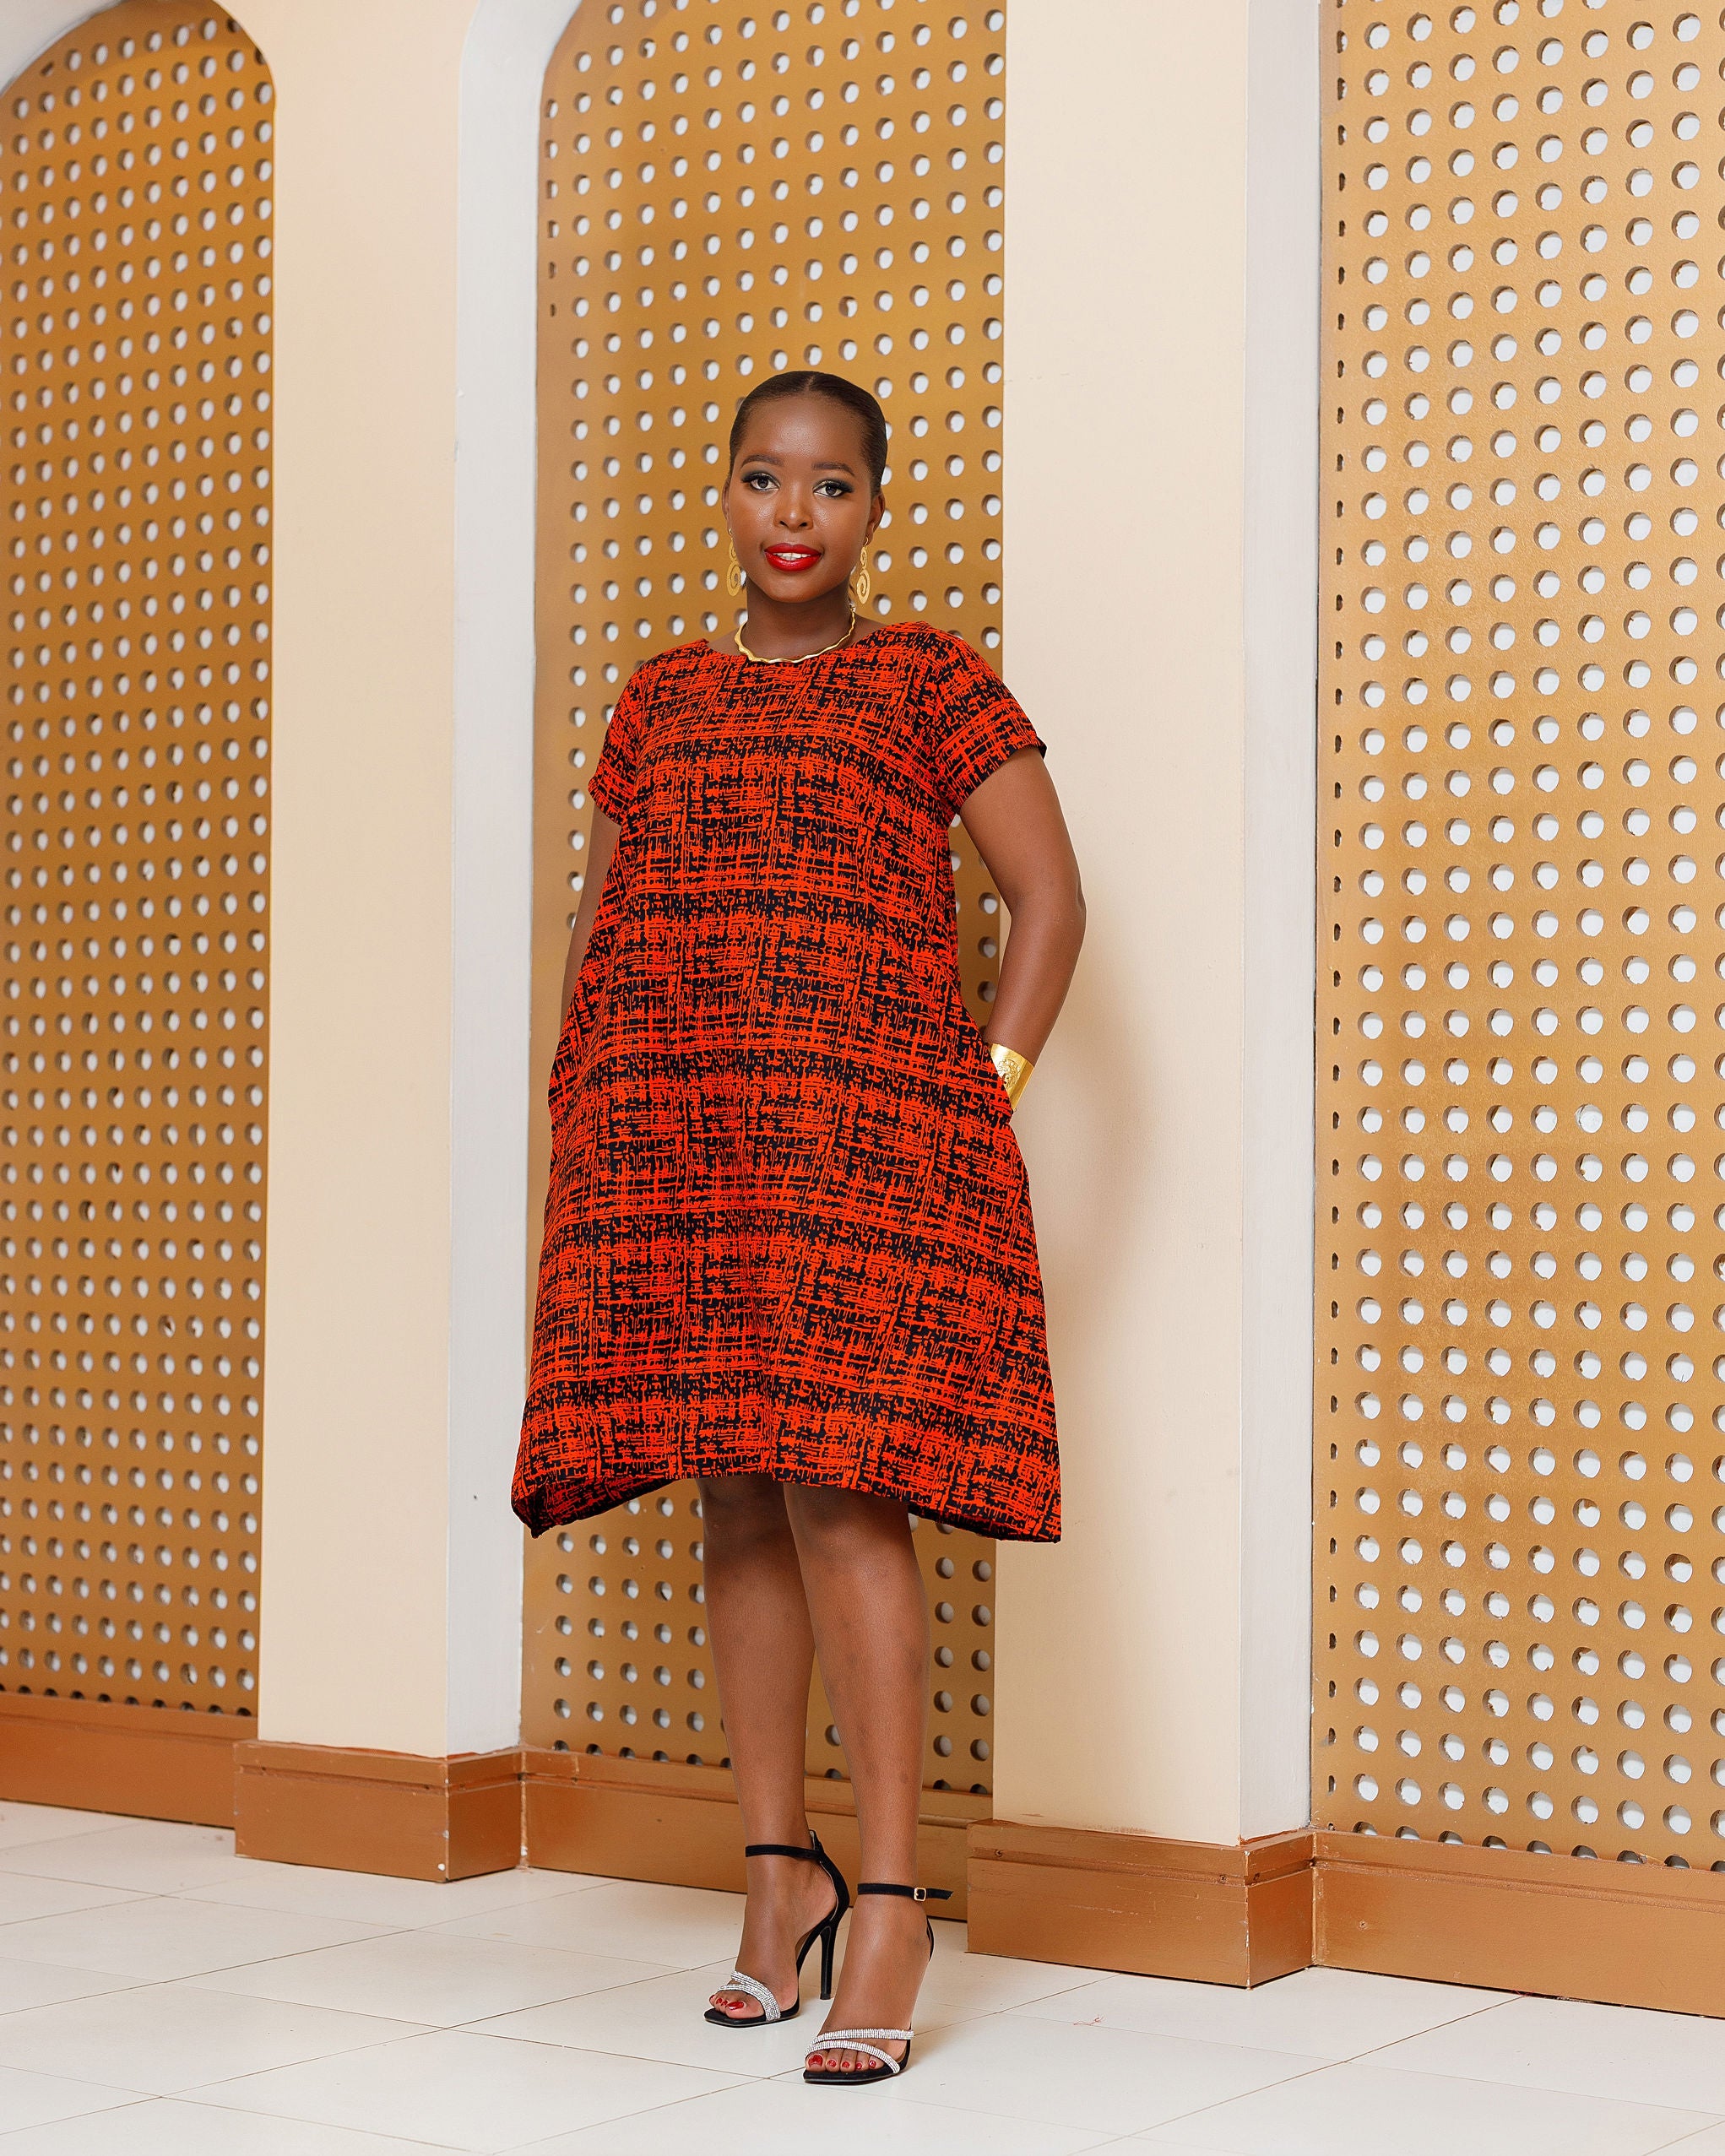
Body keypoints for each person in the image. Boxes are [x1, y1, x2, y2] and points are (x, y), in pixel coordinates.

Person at [513, 370, 1084, 2084]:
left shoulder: (929, 678)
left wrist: (979, 1088)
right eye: (764, 477)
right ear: (728, 493)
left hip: (860, 1151)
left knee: (845, 1493)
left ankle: (891, 1901)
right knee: (736, 1492)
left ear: (873, 509)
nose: (792, 513)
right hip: (680, 1142)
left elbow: (1049, 900)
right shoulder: (661, 698)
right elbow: (605, 922)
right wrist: (584, 1110)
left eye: (830, 485)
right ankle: (780, 1882)